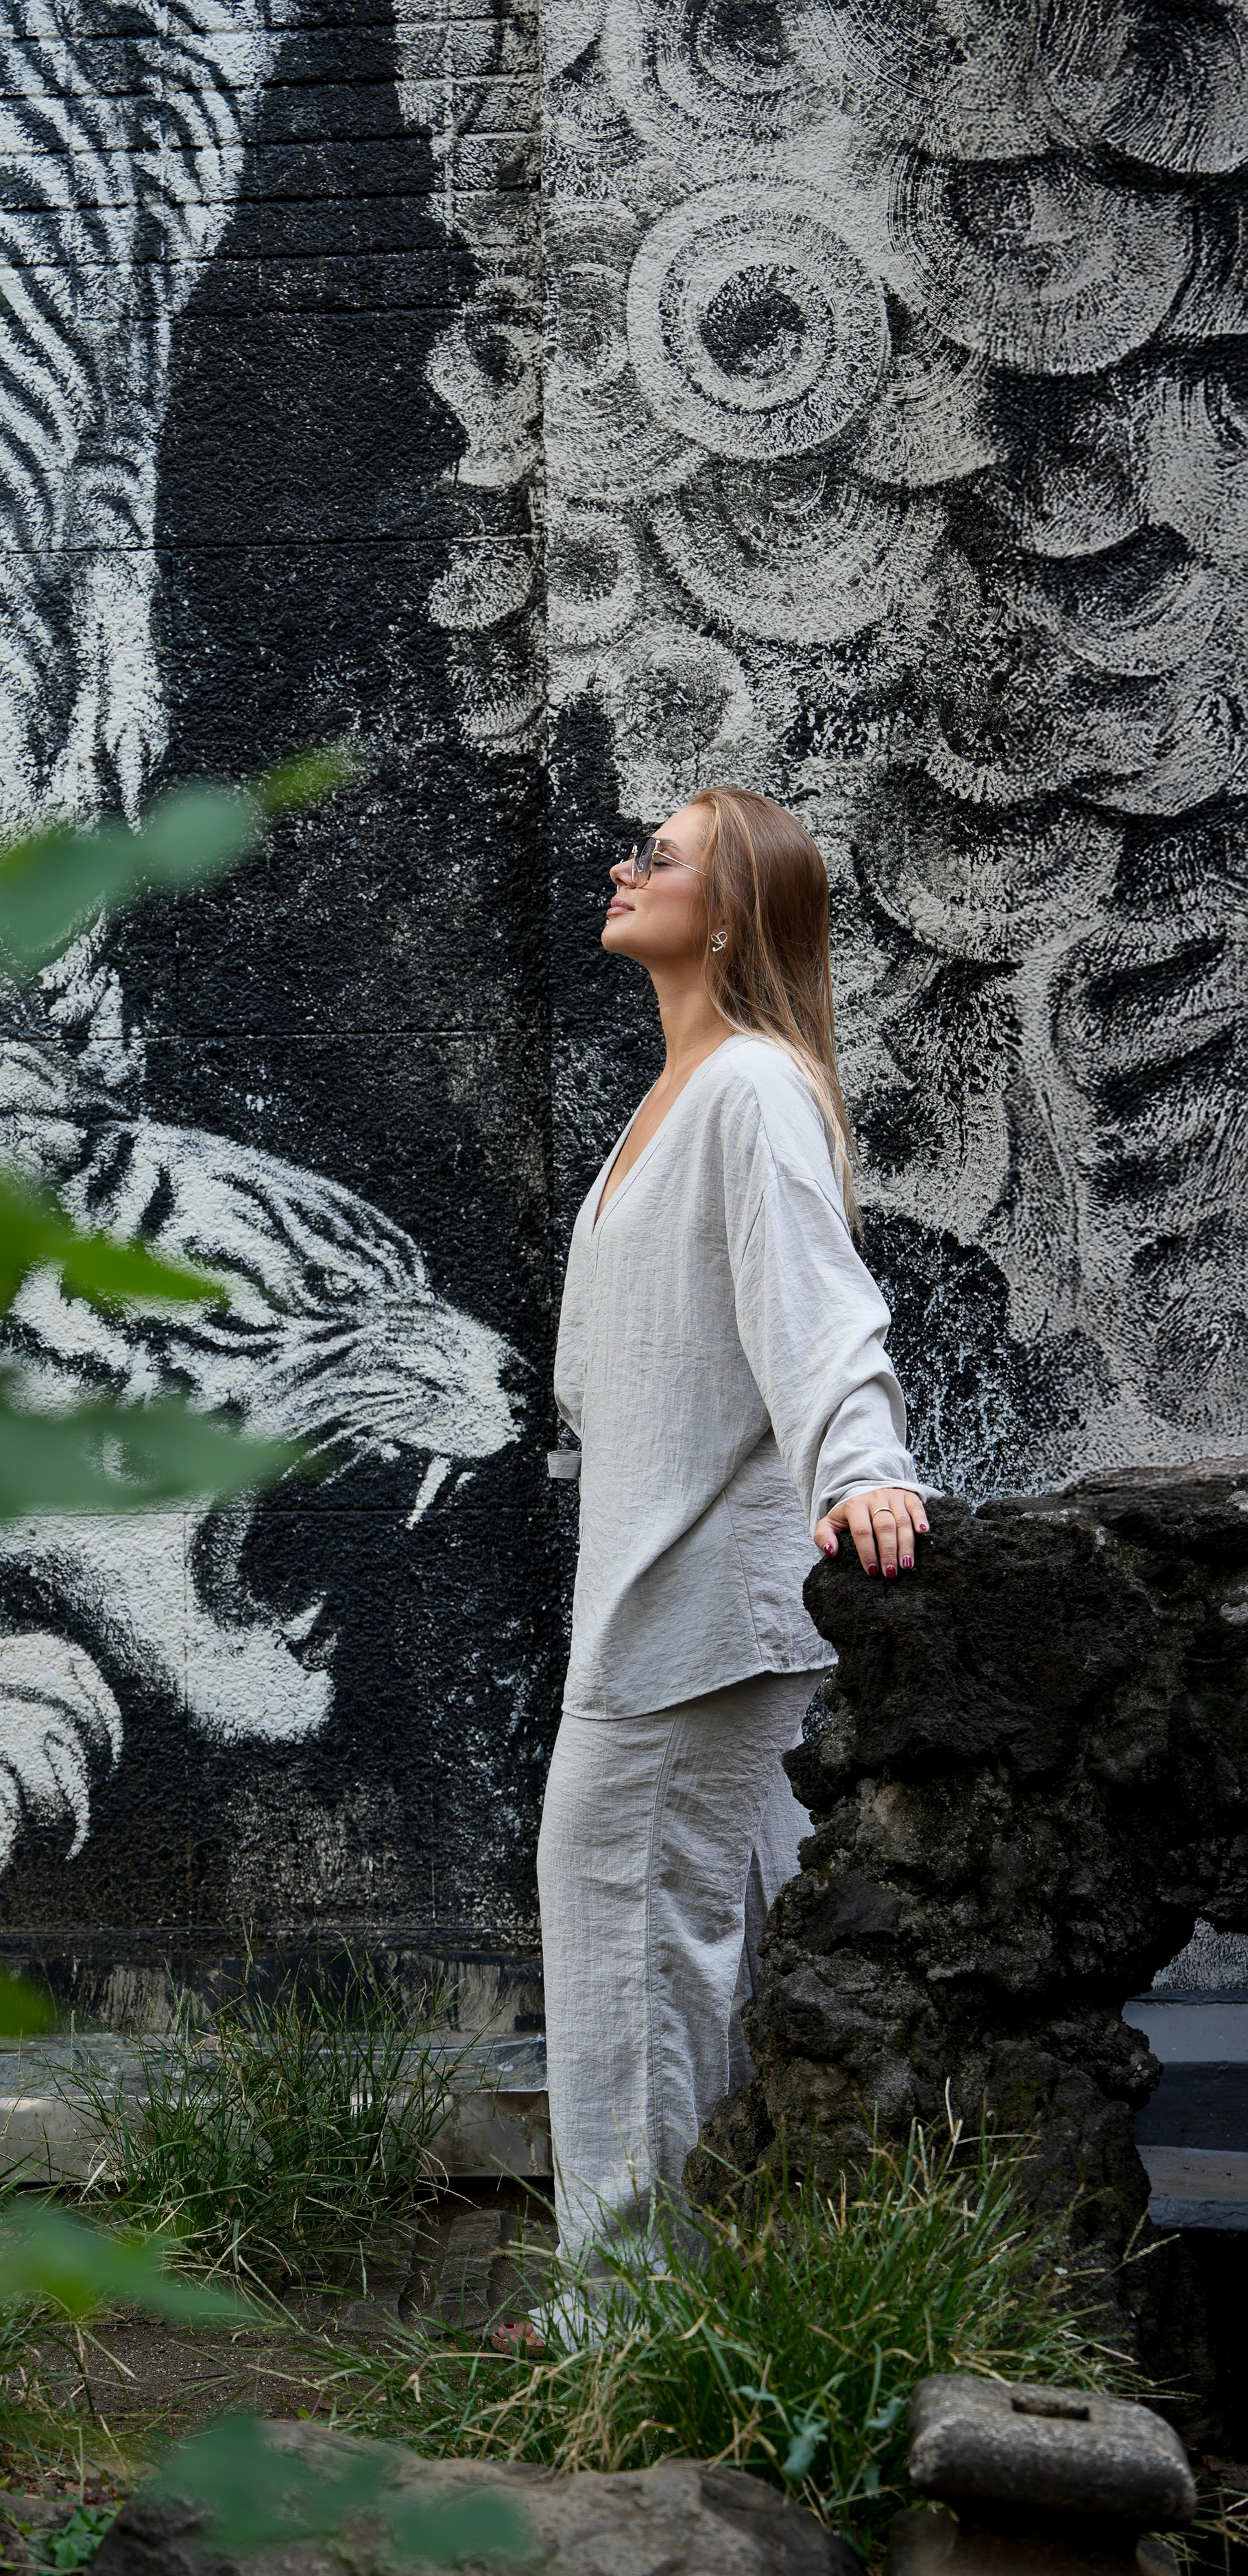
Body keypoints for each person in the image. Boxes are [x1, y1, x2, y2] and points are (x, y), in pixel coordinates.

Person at [533, 784, 925, 2331]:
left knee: (628, 1953)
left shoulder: (749, 1086)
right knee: (721, 1963)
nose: (625, 866)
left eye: (664, 856)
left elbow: (818, 1305)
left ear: (732, 911)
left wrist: (864, 1469)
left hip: (690, 1614)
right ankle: (732, 2304)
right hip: (667, 1594)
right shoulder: (678, 1092)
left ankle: (621, 2335)